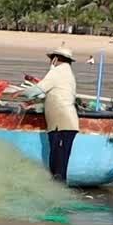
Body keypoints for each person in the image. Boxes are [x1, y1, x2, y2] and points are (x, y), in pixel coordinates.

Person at [18, 47, 79, 182]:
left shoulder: (57, 72)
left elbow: (39, 89)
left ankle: (59, 191)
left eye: (52, 59)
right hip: (62, 122)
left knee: (58, 162)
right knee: (58, 161)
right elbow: (51, 95)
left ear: (56, 59)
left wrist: (20, 93)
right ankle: (57, 189)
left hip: (63, 124)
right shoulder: (66, 73)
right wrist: (31, 103)